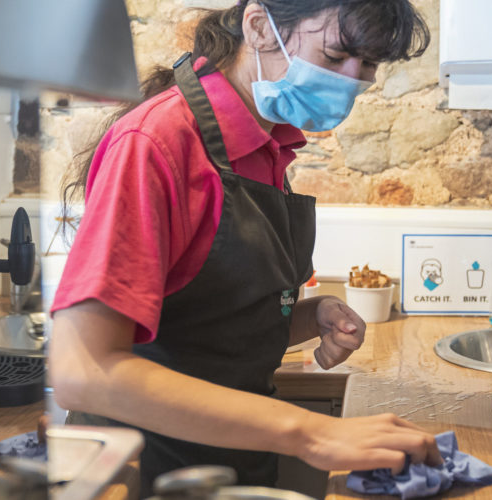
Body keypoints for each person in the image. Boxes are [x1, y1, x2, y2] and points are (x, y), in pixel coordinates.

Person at [48, 0, 441, 495]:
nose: (350, 81)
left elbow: (206, 328)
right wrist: (313, 433)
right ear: (258, 28)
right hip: (142, 473)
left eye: (367, 65)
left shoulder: (267, 145)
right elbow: (83, 371)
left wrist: (309, 316)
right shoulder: (155, 142)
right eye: (335, 55)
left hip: (232, 465)